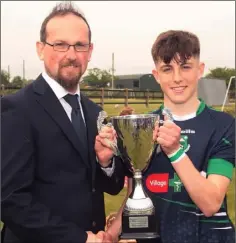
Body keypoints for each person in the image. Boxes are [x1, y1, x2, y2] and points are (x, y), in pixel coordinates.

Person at [1, 2, 127, 243]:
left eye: (80, 45)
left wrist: (106, 162)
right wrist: (79, 238)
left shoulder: (94, 112)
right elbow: (9, 199)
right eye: (60, 44)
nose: (71, 55)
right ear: (40, 49)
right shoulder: (17, 109)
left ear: (89, 52)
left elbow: (111, 186)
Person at [107, 30, 235, 243]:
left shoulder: (223, 125)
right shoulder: (142, 126)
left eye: (185, 67)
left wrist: (176, 152)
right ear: (156, 75)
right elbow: (135, 193)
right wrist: (110, 235)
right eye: (167, 69)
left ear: (199, 70)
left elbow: (211, 203)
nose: (177, 78)